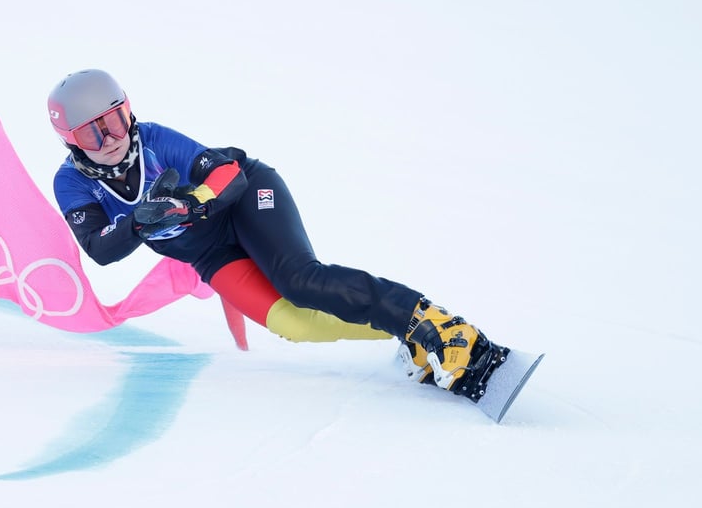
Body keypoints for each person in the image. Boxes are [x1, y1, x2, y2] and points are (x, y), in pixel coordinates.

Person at [49, 69, 503, 402]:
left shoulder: (153, 139)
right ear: (70, 141)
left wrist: (192, 203)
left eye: (115, 117)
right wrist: (138, 221)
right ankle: (409, 333)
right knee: (296, 325)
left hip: (246, 200)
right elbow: (101, 249)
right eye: (92, 131)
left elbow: (229, 174)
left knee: (300, 280)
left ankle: (437, 325)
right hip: (209, 254)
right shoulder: (70, 183)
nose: (111, 136)